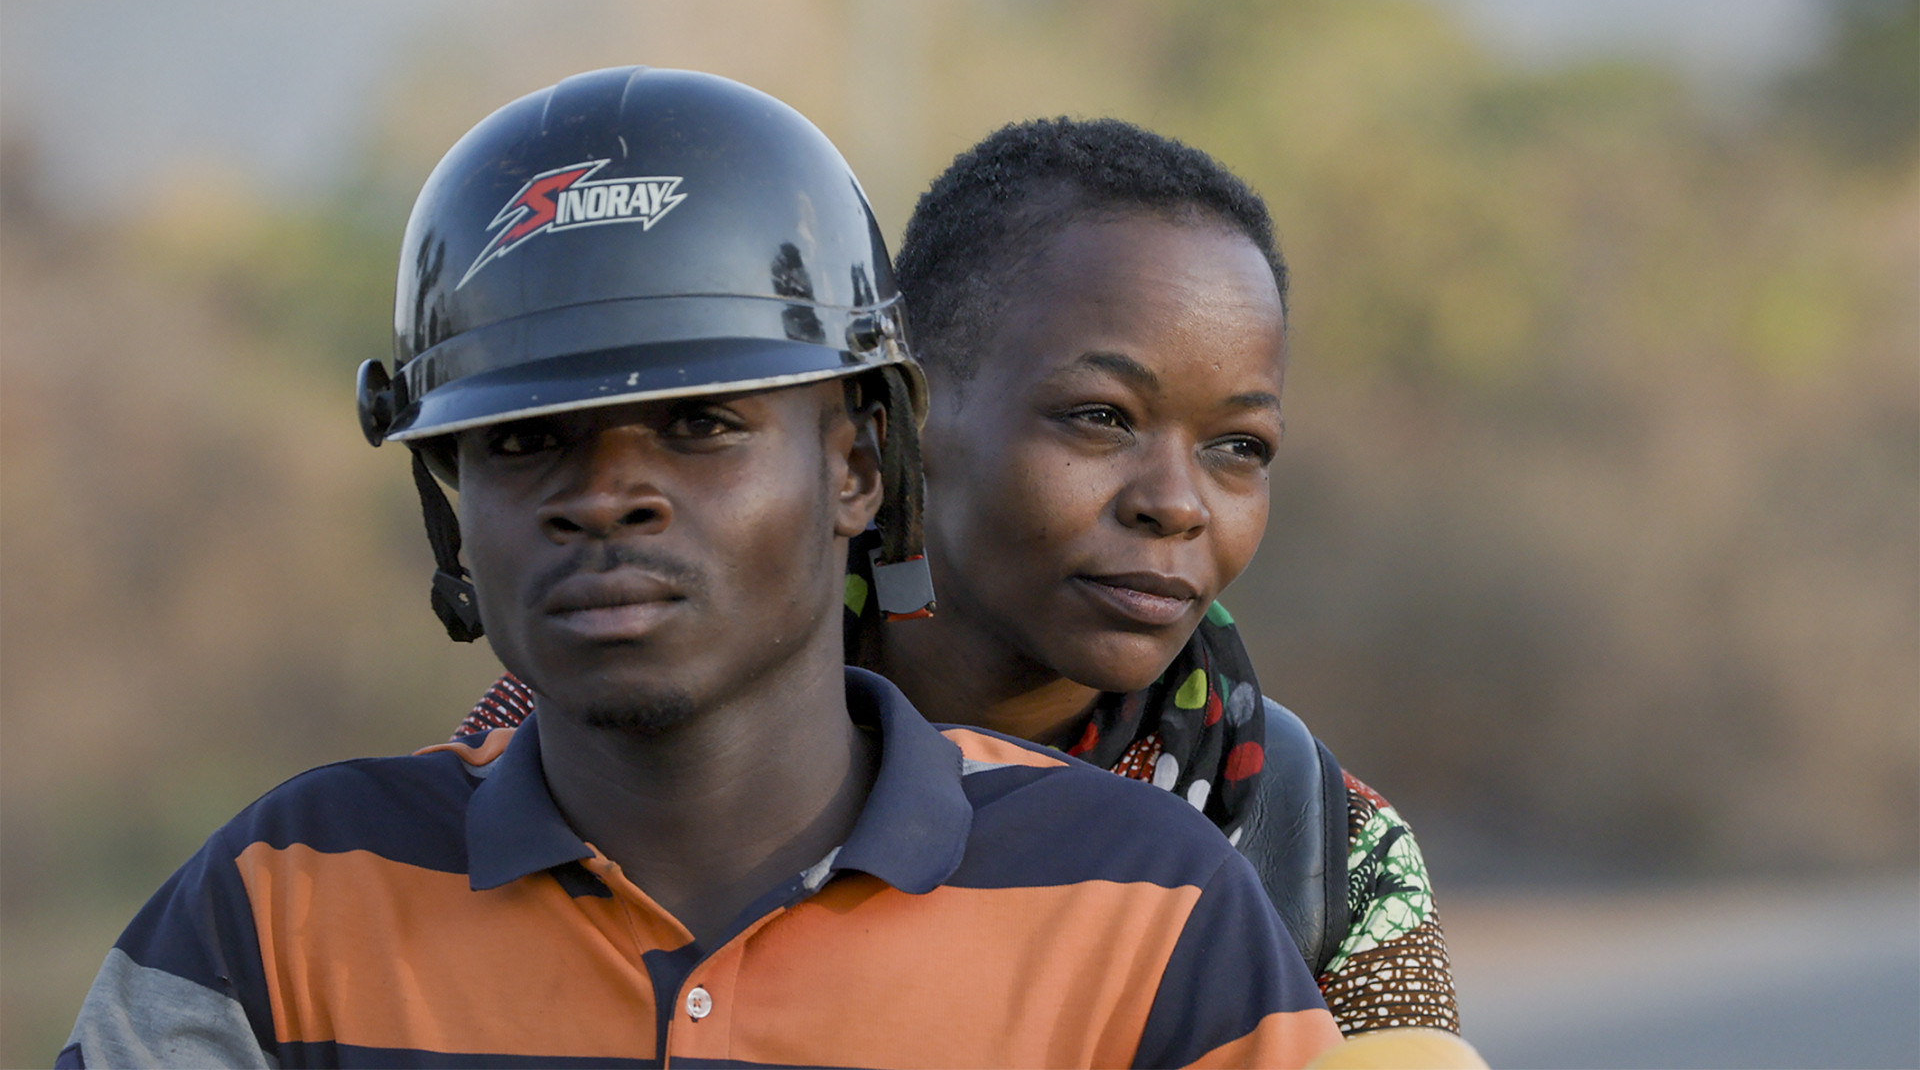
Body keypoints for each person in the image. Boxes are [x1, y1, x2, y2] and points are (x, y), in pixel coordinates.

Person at [59, 68, 1345, 1069]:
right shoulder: (287, 905)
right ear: (452, 506)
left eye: (701, 426)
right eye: (522, 441)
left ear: (860, 466)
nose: (607, 494)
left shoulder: (1147, 910)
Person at [461, 117, 1459, 1037]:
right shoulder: (578, 737)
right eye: (1101, 417)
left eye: (1239, 445)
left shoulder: (1321, 853)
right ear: (900, 421)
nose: (1178, 502)